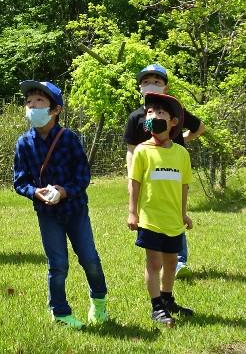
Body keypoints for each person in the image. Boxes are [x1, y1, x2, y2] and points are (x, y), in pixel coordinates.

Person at [13, 81, 109, 330]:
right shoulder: (23, 144)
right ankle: (60, 312)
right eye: (29, 102)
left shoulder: (69, 139)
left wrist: (64, 191)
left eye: (39, 102)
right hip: (47, 214)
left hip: (75, 210)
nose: (32, 106)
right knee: (57, 264)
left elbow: (83, 176)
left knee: (89, 258)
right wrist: (36, 192)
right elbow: (20, 181)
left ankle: (99, 301)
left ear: (55, 110)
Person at [123, 64, 204, 277]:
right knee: (150, 212)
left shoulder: (175, 111)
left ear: (166, 87)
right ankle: (154, 258)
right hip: (147, 175)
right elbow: (131, 149)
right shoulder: (136, 117)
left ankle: (179, 261)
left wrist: (182, 139)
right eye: (147, 81)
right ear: (140, 86)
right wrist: (132, 174)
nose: (152, 85)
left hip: (172, 171)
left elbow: (200, 127)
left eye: (157, 82)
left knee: (175, 211)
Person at [127, 92, 195, 327]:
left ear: (173, 121)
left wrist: (184, 213)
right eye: (149, 112)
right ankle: (156, 306)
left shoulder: (181, 154)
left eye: (160, 112)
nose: (153, 115)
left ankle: (167, 299)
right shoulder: (142, 151)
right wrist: (133, 212)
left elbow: (184, 185)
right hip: (150, 219)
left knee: (171, 263)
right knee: (154, 263)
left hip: (173, 220)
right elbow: (135, 183)